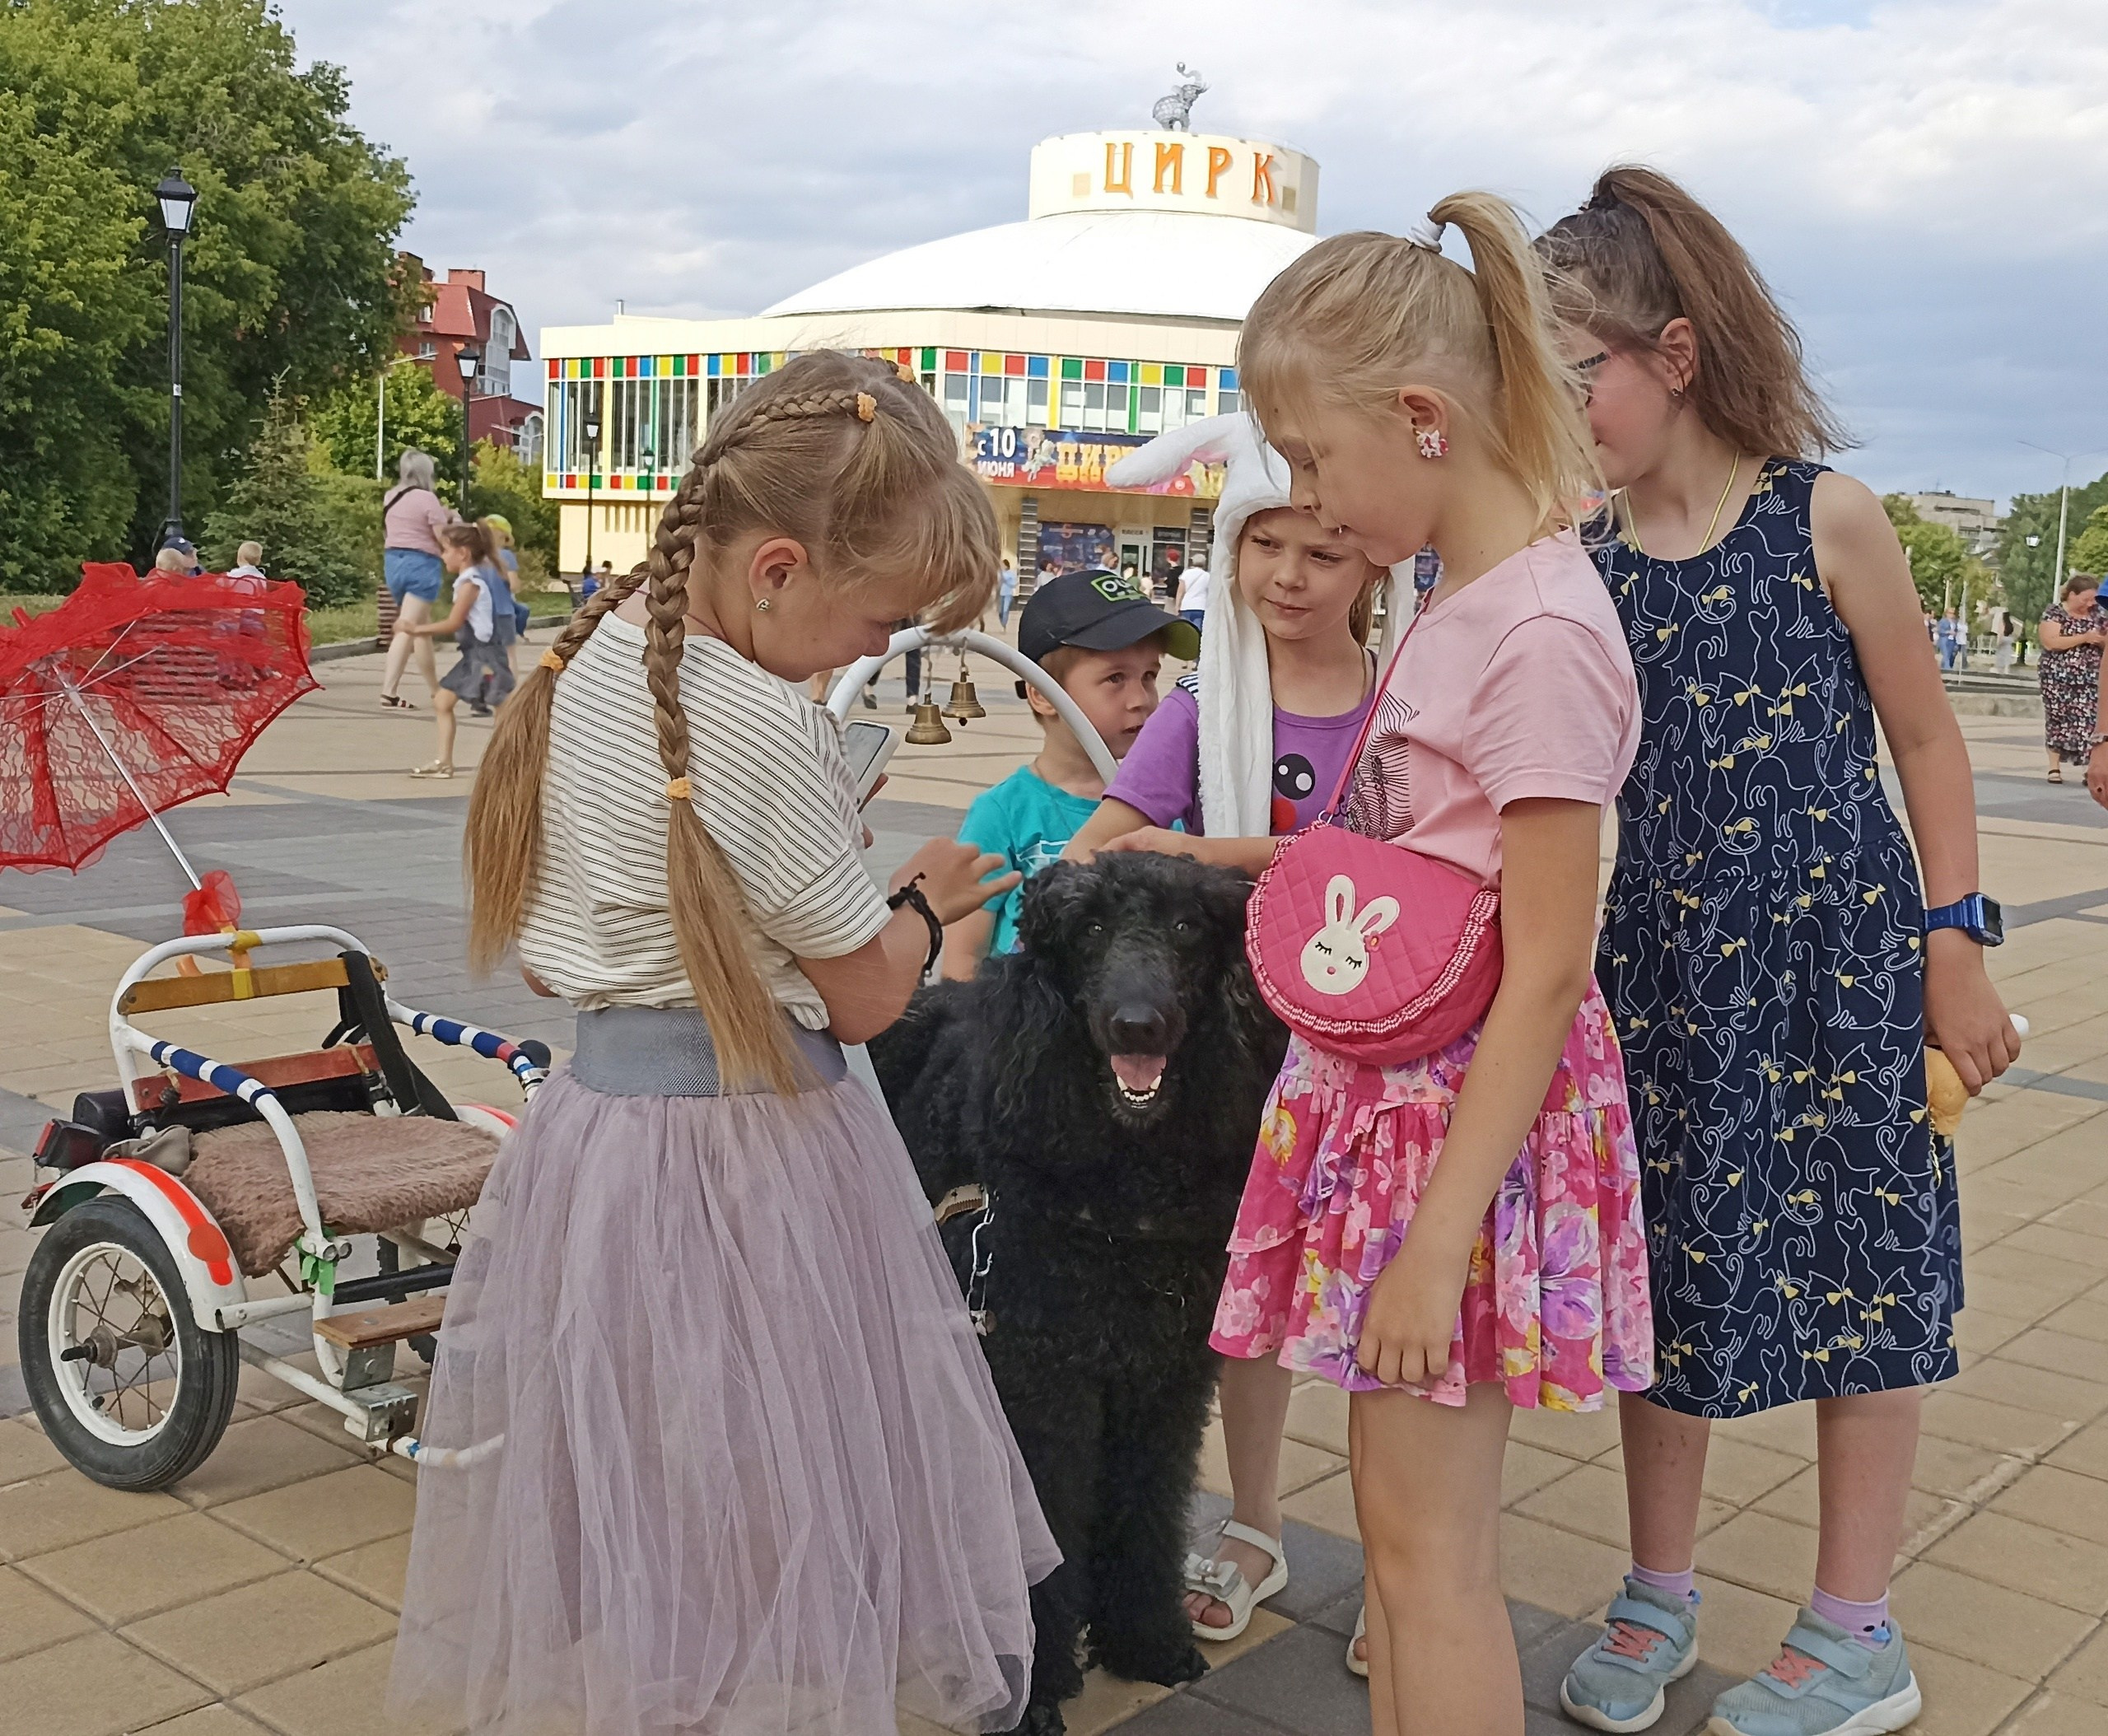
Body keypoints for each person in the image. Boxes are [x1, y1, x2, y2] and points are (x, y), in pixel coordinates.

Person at [388, 354, 1056, 1736]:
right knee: (777, 1493)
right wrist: (926, 907)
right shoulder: (756, 723)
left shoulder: (596, 657)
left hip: (601, 1137)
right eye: (870, 619)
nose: (867, 653)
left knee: (647, 1482)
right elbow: (865, 995)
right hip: (754, 1160)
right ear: (775, 569)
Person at [1540, 167, 2021, 1736]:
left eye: (1579, 375)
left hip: (1838, 968)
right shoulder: (1587, 562)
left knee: (1864, 1270)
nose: (1568, 409)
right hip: (1655, 984)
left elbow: (1930, 741)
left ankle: (1855, 1627)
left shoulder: (1827, 515)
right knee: (1659, 1284)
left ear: (1672, 354)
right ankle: (1660, 1584)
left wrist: (1955, 939)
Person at [1196, 196, 1653, 1734]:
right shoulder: (1470, 601)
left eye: (1316, 459)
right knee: (1400, 1540)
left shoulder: (1535, 629)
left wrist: (1437, 1236)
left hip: (1458, 1133)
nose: (1311, 503)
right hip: (1413, 1109)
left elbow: (1544, 966)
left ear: (1421, 417)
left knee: (1433, 1550)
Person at [1062, 409, 1401, 1660]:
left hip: (1374, 1063)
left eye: (1322, 552)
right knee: (1246, 1300)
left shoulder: (1403, 708)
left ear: (1376, 559)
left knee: (1382, 1313)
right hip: (1224, 1070)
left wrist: (1225, 853)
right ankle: (1254, 1524)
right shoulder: (1200, 713)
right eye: (1266, 549)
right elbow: (1097, 853)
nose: (1289, 579)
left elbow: (1417, 866)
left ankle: (1405, 1566)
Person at [940, 569, 1192, 978]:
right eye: (1115, 678)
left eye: (1149, 676)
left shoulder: (1171, 805)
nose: (1141, 699)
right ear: (1041, 693)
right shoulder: (1002, 814)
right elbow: (963, 960)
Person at [403, 521, 513, 778]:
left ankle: (508, 765)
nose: (443, 556)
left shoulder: (470, 584)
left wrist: (415, 629)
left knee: (502, 712)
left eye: (445, 550)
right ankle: (445, 762)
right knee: (444, 702)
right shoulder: (468, 581)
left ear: (462, 553)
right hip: (476, 654)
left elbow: (454, 622)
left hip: (485, 655)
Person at [380, 450, 457, 710]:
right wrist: (454, 521)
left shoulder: (390, 496)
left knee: (421, 631)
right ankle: (388, 691)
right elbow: (441, 537)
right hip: (421, 565)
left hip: (393, 563)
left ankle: (436, 690)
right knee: (408, 627)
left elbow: (402, 525)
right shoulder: (428, 498)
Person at [2039, 573, 2106, 783]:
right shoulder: (2055, 613)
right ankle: (2054, 767)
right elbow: (2051, 642)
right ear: (2072, 594)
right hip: (2057, 677)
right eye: (2085, 598)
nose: (2089, 603)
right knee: (2057, 718)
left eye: (2093, 598)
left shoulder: (2098, 614)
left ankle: (2090, 767)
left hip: (2089, 678)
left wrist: (2099, 641)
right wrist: (2084, 638)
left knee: (2090, 720)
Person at [1174, 558, 1211, 638]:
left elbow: (1180, 591)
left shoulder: (1186, 574)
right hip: (1201, 606)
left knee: (1186, 630)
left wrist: (1177, 605)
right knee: (1197, 630)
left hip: (1186, 606)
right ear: (1204, 564)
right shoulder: (1207, 575)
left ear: (1193, 562)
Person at [1989, 601, 2016, 673]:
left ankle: (1998, 668)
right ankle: (2006, 669)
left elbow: (2001, 632)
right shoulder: (2010, 622)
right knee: (2007, 654)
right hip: (2009, 639)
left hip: (2003, 638)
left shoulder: (2002, 622)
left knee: (2000, 654)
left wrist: (1998, 641)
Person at [998, 556, 1019, 626]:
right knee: (1000, 611)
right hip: (1001, 593)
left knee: (1005, 610)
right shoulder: (1000, 573)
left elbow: (1013, 583)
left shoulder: (1011, 573)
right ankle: (1002, 621)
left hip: (1008, 593)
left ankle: (1004, 624)